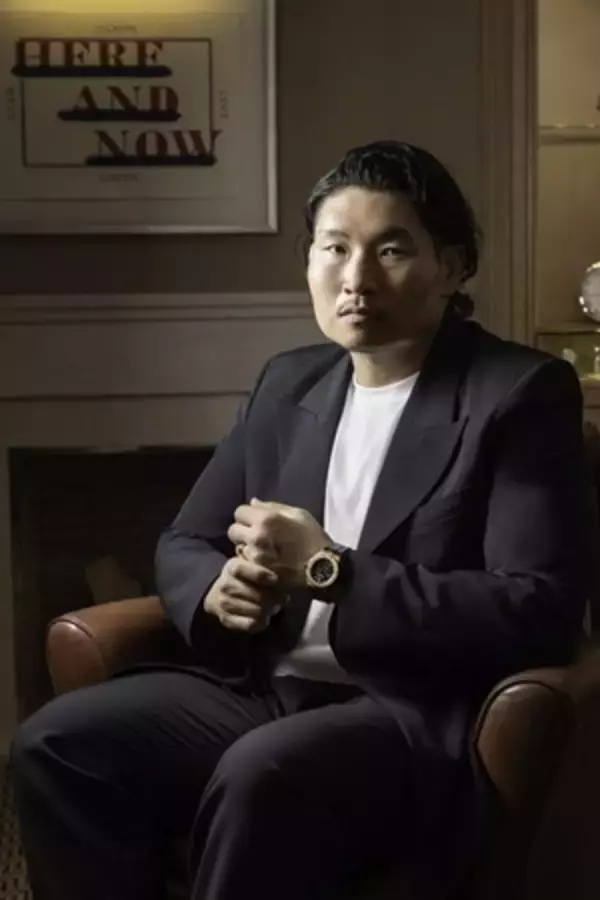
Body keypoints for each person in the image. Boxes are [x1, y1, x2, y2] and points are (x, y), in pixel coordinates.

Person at [10, 140, 595, 900]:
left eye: (391, 250)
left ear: (452, 268)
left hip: (409, 710)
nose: (356, 278)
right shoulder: (288, 383)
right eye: (334, 248)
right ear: (310, 261)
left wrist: (331, 571)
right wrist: (216, 588)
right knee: (55, 744)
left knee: (263, 774)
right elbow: (185, 540)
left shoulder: (517, 394)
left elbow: (538, 608)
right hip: (266, 686)